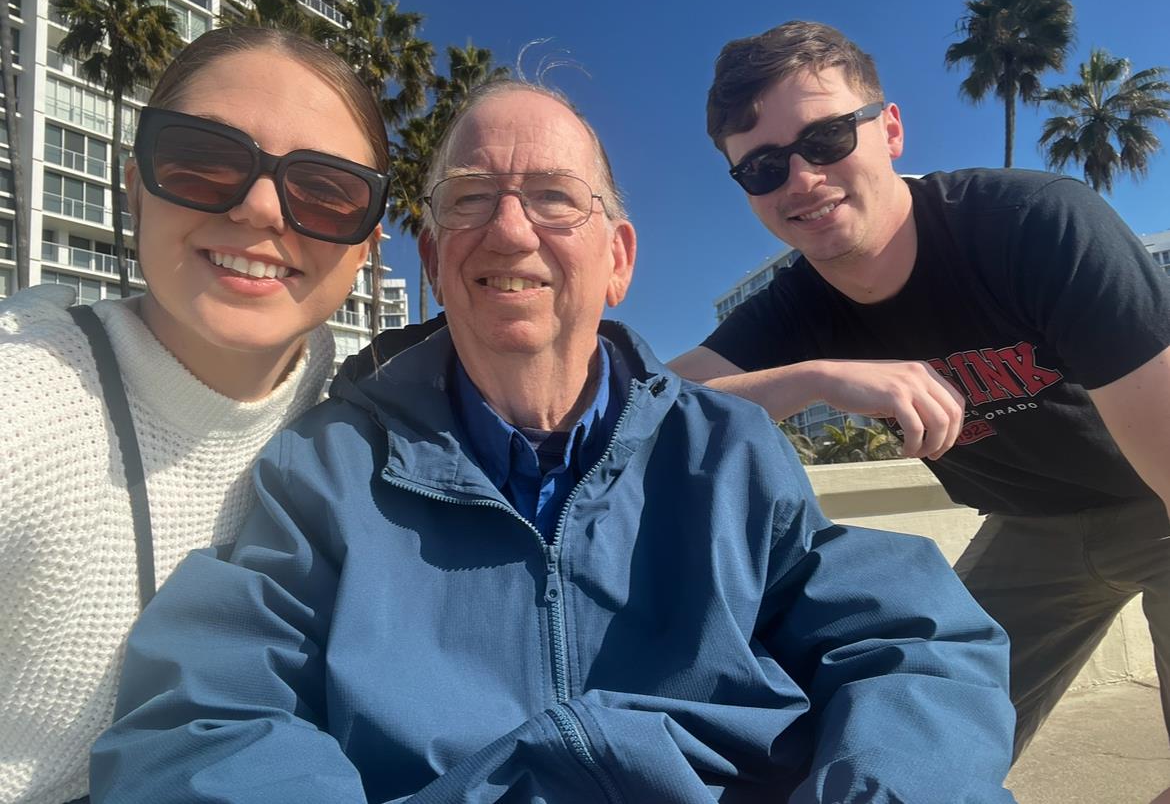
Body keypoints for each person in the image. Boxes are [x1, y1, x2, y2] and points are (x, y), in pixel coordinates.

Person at [91, 79, 1017, 803]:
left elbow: (916, 640)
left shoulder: (722, 453)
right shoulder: (331, 471)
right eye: (470, 197)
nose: (507, 228)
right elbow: (202, 717)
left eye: (552, 198)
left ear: (617, 259)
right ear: (433, 260)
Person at [670, 20, 1170, 766]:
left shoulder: (1034, 226)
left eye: (828, 137)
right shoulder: (798, 305)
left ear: (890, 129)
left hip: (1154, 496)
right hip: (1030, 528)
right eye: (763, 167)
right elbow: (647, 404)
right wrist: (817, 376)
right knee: (914, 736)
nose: (801, 179)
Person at [0, 25, 390, 804]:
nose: (258, 207)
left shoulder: (374, 425)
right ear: (135, 184)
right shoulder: (25, 407)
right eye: (204, 158)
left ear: (366, 248)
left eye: (324, 189)